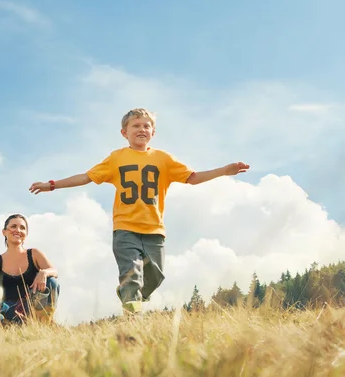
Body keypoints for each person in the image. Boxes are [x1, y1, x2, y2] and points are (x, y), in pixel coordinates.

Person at [29, 108, 249, 314]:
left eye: (146, 126)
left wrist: (224, 171)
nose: (141, 129)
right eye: (136, 126)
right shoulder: (117, 158)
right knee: (132, 274)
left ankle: (129, 295)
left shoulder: (163, 159)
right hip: (125, 228)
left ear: (153, 132)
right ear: (125, 132)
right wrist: (52, 184)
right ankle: (132, 314)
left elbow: (192, 178)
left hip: (154, 230)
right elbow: (87, 177)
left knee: (155, 276)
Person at [0, 213, 60, 325]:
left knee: (52, 282)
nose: (18, 230)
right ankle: (3, 327)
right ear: (4, 232)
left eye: (22, 228)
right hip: (7, 309)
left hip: (31, 308)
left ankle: (42, 324)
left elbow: (54, 271)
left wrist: (44, 272)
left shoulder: (34, 254)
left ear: (26, 234)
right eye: (13, 226)